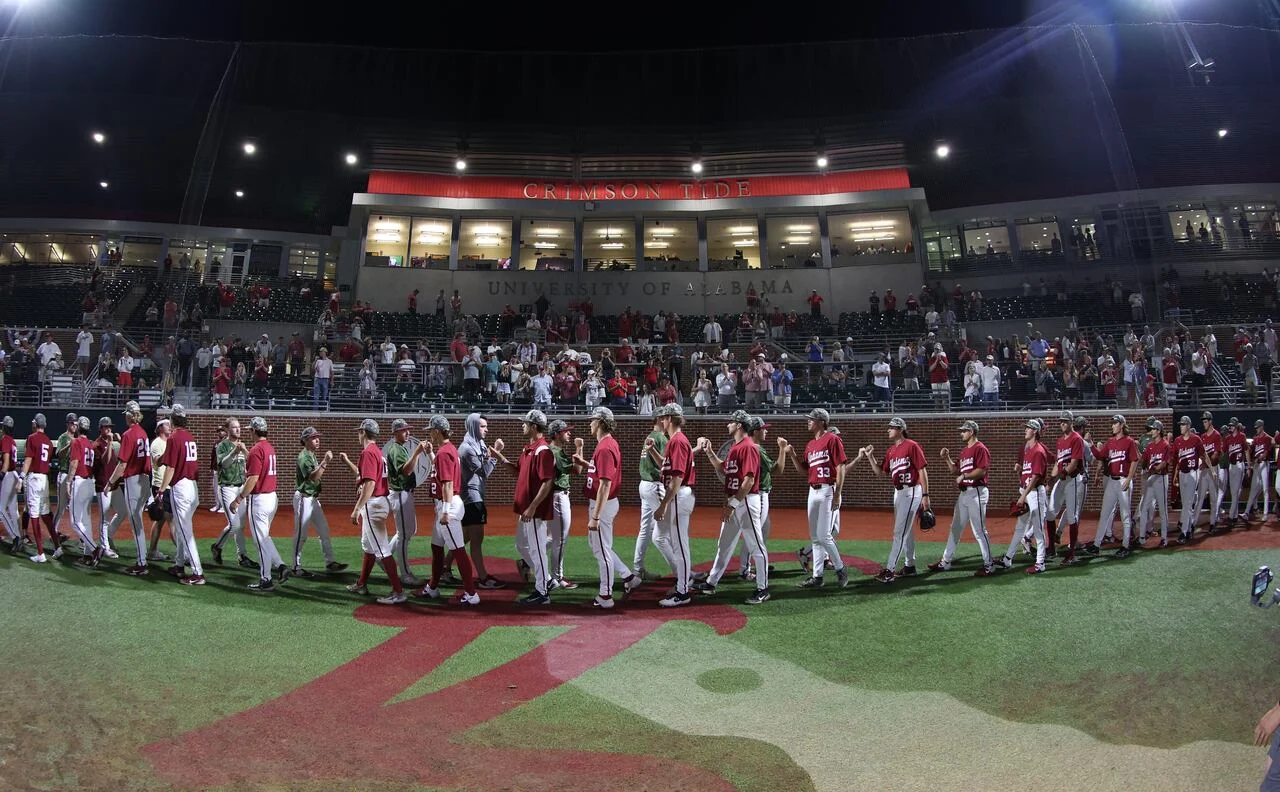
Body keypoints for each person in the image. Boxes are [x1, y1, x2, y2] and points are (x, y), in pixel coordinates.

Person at [692, 409, 771, 604]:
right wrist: (709, 452)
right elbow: (723, 468)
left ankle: (763, 588)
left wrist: (733, 504)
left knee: (756, 546)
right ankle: (711, 582)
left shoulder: (749, 447)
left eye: (731, 422)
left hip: (745, 501)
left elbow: (749, 480)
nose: (728, 424)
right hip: (735, 502)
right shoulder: (736, 447)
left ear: (738, 425)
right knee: (724, 543)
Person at [572, 406, 641, 608]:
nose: (590, 423)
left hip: (602, 503)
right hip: (604, 502)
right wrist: (586, 464)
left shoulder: (604, 447)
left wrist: (596, 516)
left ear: (601, 422)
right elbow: (602, 473)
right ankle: (629, 577)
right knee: (598, 547)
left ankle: (606, 596)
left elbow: (605, 484)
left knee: (602, 550)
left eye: (592, 419)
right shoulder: (606, 444)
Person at [413, 416, 480, 606]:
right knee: (436, 547)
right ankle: (433, 587)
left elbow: (448, 484)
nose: (430, 434)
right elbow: (443, 473)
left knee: (458, 550)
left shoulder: (445, 452)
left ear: (437, 431)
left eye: (431, 430)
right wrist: (431, 454)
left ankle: (471, 593)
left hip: (448, 505)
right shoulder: (447, 450)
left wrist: (445, 511)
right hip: (447, 503)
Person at [779, 408, 849, 587]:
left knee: (825, 535)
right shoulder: (810, 444)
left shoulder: (832, 439)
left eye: (811, 419)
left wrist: (838, 493)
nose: (808, 421)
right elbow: (804, 471)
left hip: (828, 489)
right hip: (813, 491)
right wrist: (793, 455)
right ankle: (817, 577)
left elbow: (841, 467)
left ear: (821, 421)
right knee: (815, 537)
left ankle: (841, 569)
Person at [336, 418, 404, 604]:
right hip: (380, 501)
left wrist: (356, 509)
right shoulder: (378, 453)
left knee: (382, 550)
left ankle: (398, 591)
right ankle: (361, 583)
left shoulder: (368, 452)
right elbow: (368, 478)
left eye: (359, 431)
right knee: (368, 546)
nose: (358, 434)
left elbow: (370, 483)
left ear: (364, 433)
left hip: (373, 504)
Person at [497, 409, 557, 605]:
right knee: (522, 545)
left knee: (537, 549)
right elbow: (518, 472)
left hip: (533, 511)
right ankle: (547, 581)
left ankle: (542, 592)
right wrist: (501, 458)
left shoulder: (543, 450)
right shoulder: (528, 449)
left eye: (524, 423)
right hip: (525, 510)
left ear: (533, 426)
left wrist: (532, 507)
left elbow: (547, 482)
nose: (522, 425)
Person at [862, 416, 928, 583]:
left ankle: (889, 570)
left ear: (900, 429)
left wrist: (926, 495)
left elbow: (922, 470)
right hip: (898, 493)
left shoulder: (912, 445)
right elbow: (879, 473)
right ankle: (910, 565)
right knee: (907, 531)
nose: (888, 430)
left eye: (891, 427)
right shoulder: (891, 451)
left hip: (912, 490)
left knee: (899, 532)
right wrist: (870, 457)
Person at [227, 417, 288, 592]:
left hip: (260, 499)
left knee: (260, 540)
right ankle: (281, 565)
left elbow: (253, 478)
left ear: (254, 430)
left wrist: (238, 499)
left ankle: (266, 578)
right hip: (272, 497)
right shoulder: (269, 447)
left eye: (250, 429)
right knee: (265, 537)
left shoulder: (256, 449)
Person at [928, 420, 995, 576]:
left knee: (979, 531)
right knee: (955, 528)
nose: (961, 433)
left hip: (977, 492)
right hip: (964, 494)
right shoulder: (965, 451)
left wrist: (964, 475)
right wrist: (947, 458)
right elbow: (955, 471)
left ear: (971, 432)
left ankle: (989, 565)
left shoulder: (980, 448)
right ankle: (946, 562)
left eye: (964, 431)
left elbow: (982, 471)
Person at [648, 403, 696, 607]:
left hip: (679, 494)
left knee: (680, 546)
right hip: (679, 494)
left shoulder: (677, 441)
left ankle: (683, 591)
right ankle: (683, 585)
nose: (662, 420)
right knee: (675, 543)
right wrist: (652, 452)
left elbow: (676, 477)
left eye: (665, 417)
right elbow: (667, 468)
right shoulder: (674, 441)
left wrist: (663, 505)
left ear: (672, 419)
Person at [155, 405, 205, 585]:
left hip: (181, 487)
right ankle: (179, 565)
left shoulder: (174, 437)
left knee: (185, 532)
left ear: (172, 419)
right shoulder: (189, 436)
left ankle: (198, 573)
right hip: (192, 486)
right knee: (183, 528)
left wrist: (161, 490)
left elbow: (171, 468)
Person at [994, 419, 1051, 574]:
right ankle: (1008, 559)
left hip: (1034, 494)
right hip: (1026, 493)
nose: (1025, 430)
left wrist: (1023, 496)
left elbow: (1036, 477)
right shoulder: (1028, 450)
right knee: (1020, 528)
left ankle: (1040, 563)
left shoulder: (1038, 451)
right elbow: (1026, 473)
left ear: (1035, 431)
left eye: (1028, 428)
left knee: (1038, 529)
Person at [104, 401, 152, 576]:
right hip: (145, 480)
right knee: (137, 521)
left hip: (133, 480)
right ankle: (143, 558)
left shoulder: (129, 434)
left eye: (127, 414)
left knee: (136, 523)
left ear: (130, 415)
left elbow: (122, 465)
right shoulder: (143, 433)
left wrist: (110, 482)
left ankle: (142, 562)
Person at [290, 426, 344, 577]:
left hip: (313, 499)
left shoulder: (312, 455)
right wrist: (325, 462)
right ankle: (295, 566)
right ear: (305, 440)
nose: (317, 439)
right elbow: (314, 477)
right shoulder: (303, 457)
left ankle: (330, 562)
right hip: (303, 498)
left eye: (317, 437)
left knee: (324, 531)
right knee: (301, 534)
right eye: (313, 438)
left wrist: (322, 462)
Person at [458, 413, 503, 590]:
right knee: (477, 539)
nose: (486, 429)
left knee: (465, 538)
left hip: (475, 495)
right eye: (482, 426)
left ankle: (445, 568)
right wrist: (495, 455)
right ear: (473, 427)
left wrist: (489, 453)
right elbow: (483, 472)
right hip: (471, 497)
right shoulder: (466, 448)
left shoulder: (478, 443)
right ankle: (483, 578)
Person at [1085, 415, 1139, 558]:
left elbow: (1135, 460)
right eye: (1113, 423)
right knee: (1105, 513)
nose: (1112, 425)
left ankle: (1126, 545)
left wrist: (1129, 478)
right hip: (1112, 481)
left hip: (1123, 480)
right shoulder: (1110, 442)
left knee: (1125, 515)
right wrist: (1090, 444)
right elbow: (1100, 456)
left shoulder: (1129, 441)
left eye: (1115, 423)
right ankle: (1096, 545)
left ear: (1122, 425)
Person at [385, 418, 429, 587]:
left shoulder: (400, 448)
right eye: (404, 430)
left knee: (409, 531)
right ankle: (405, 574)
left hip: (404, 494)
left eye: (408, 429)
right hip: (400, 493)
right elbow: (406, 470)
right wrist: (417, 453)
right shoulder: (396, 449)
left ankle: (385, 557)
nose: (408, 432)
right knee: (404, 535)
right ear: (395, 433)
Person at [210, 418, 255, 569]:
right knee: (234, 524)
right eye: (234, 427)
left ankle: (242, 556)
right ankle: (217, 546)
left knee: (241, 526)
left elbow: (250, 462)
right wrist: (234, 452)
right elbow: (223, 464)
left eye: (239, 427)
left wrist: (244, 450)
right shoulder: (222, 445)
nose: (238, 430)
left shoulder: (241, 445)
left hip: (240, 487)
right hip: (227, 488)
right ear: (228, 430)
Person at [1046, 412, 1088, 564]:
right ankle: (1051, 547)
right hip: (1062, 478)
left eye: (1065, 421)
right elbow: (1059, 463)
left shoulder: (1076, 438)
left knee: (1072, 516)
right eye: (1061, 421)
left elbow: (1075, 462)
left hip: (1073, 479)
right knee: (1050, 513)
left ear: (1071, 422)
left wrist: (1062, 473)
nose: (1062, 423)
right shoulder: (1060, 441)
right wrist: (1050, 481)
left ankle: (1071, 553)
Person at [545, 419, 579, 591]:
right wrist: (579, 448)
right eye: (566, 431)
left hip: (556, 496)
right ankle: (558, 577)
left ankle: (527, 560)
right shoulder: (556, 452)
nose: (569, 433)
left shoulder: (554, 450)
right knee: (560, 539)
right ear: (557, 434)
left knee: (553, 538)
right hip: (558, 496)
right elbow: (577, 470)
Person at [634, 413, 668, 581]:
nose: (666, 420)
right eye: (664, 417)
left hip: (644, 485)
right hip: (655, 485)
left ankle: (637, 568)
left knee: (645, 529)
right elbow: (665, 464)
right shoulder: (660, 438)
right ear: (658, 420)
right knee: (668, 527)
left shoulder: (650, 436)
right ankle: (684, 572)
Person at [1172, 415, 1209, 544]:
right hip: (1182, 474)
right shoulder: (1177, 441)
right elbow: (1177, 460)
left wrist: (1213, 470)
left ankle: (1184, 531)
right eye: (1180, 424)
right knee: (1185, 503)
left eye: (1183, 424)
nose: (1181, 427)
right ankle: (1189, 528)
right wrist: (1175, 475)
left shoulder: (1196, 439)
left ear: (1188, 426)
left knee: (1188, 503)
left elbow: (1204, 456)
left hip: (1193, 473)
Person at [91, 417, 125, 558]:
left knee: (124, 511)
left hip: (114, 484)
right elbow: (105, 461)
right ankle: (105, 547)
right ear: (100, 428)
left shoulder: (109, 442)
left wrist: (120, 441)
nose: (109, 429)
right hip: (103, 484)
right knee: (104, 517)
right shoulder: (97, 444)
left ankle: (109, 535)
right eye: (106, 427)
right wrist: (111, 443)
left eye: (110, 426)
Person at [1136, 417, 1170, 547]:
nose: (1152, 431)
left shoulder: (1165, 444)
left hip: (1161, 478)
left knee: (1162, 509)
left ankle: (1164, 538)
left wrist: (1153, 469)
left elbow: (1164, 462)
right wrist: (1136, 449)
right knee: (1144, 506)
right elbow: (1142, 460)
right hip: (1152, 477)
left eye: (1155, 429)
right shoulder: (1150, 446)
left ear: (1159, 431)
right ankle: (1142, 537)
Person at [1194, 411, 1224, 533]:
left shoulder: (1217, 435)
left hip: (1213, 470)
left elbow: (1216, 454)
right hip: (1205, 470)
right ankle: (1193, 523)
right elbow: (1201, 454)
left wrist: (1206, 464)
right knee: (1200, 498)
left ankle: (1212, 523)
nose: (1204, 423)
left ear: (1210, 421)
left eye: (1206, 421)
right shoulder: (1203, 437)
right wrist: (1202, 463)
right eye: (1203, 421)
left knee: (1213, 498)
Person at [1222, 418, 1249, 529]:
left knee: (1235, 492)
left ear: (1237, 426)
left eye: (1233, 425)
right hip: (1231, 466)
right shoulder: (1227, 438)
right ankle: (1235, 515)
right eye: (1230, 425)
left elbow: (1246, 450)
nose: (1231, 427)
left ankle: (1232, 517)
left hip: (1239, 465)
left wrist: (1249, 466)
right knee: (1234, 492)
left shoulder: (1242, 436)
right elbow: (1224, 452)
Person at [1245, 419, 1274, 522]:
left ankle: (1265, 513)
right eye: (1256, 427)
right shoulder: (1255, 438)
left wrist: (1259, 458)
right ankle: (1247, 512)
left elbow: (1266, 453)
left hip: (1264, 464)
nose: (1256, 429)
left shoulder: (1266, 438)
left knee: (1265, 489)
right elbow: (1251, 450)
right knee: (1253, 489)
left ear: (1262, 427)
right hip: (1257, 465)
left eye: (1257, 427)